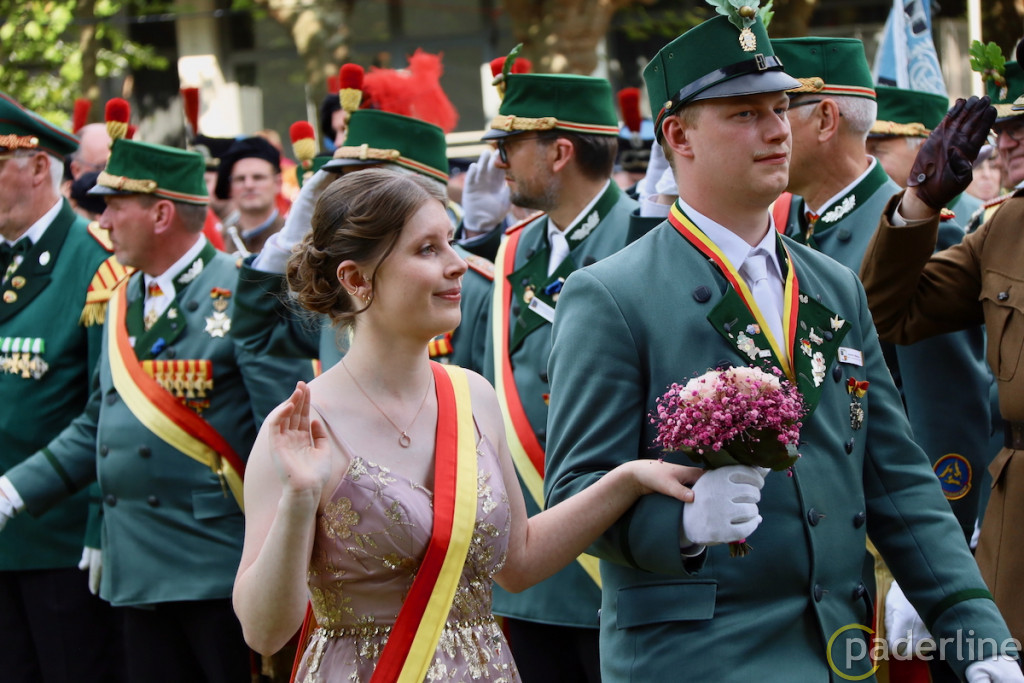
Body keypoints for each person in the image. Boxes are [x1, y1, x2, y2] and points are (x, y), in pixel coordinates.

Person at [542, 9, 1021, 681]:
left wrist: (977, 632)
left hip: (841, 653)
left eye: (778, 108)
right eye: (744, 113)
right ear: (677, 135)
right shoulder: (613, 295)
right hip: (697, 660)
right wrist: (678, 525)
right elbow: (574, 494)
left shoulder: (832, 285)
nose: (775, 130)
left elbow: (896, 476)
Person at [231, 167, 701, 682]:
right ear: (356, 279)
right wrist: (300, 499)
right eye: (427, 249)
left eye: (451, 242)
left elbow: (520, 561)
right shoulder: (300, 428)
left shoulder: (472, 394)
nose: (458, 264)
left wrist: (627, 479)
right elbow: (263, 633)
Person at [0, 132, 313, 682]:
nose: (103, 221)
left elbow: (283, 431)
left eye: (115, 207)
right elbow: (96, 424)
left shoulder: (240, 293)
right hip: (138, 567)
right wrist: (13, 491)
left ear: (161, 214)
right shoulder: (120, 297)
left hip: (218, 566)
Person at [860, 54, 1024, 651]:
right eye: (1006, 127)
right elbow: (887, 313)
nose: (1008, 141)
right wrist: (921, 203)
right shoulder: (1006, 227)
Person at [479, 64, 638, 682]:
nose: (499, 162)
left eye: (510, 146)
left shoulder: (644, 237)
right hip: (530, 564)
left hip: (613, 556)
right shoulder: (515, 249)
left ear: (560, 152)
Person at [0, 91, 124, 683]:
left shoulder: (95, 264)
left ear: (37, 168)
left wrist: (100, 525)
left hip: (60, 541)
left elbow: (108, 412)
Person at [233, 108, 493, 373]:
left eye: (371, 182)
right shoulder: (347, 282)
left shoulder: (474, 287)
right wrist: (289, 240)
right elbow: (256, 336)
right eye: (342, 181)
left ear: (417, 185)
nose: (352, 196)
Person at [867, 85, 984, 221]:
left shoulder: (978, 219)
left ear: (925, 151)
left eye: (877, 151)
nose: (866, 160)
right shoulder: (869, 210)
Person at [215, 136, 287, 255]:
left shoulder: (292, 238)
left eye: (258, 177)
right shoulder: (219, 241)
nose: (249, 185)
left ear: (278, 183)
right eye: (240, 179)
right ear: (230, 187)